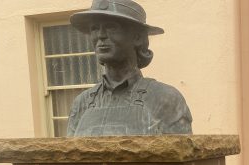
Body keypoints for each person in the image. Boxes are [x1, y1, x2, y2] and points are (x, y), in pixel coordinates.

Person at [67, 0, 192, 136]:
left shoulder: (165, 99)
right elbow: (69, 155)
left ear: (137, 37)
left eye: (111, 27)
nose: (100, 35)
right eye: (95, 28)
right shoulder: (82, 104)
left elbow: (181, 154)